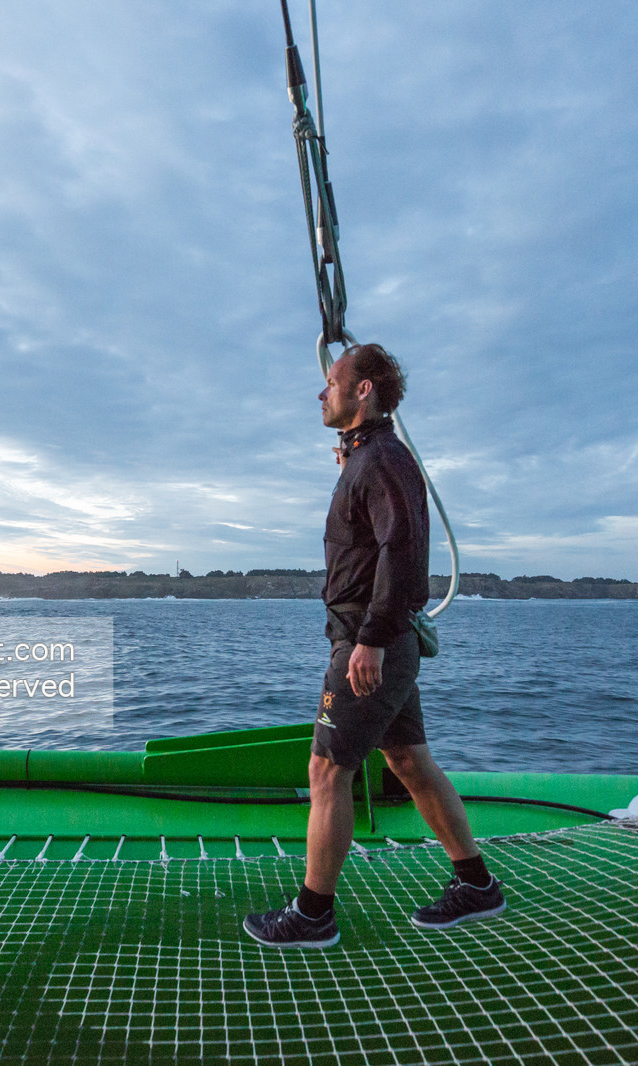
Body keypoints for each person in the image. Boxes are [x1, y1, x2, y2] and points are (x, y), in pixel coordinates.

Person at [243, 343, 505, 948]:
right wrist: (350, 464)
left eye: (332, 381)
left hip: (371, 643)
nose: (321, 391)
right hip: (380, 639)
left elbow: (403, 552)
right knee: (408, 758)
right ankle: (477, 884)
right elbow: (374, 538)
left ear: (363, 391)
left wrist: (372, 640)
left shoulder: (383, 458)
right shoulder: (370, 458)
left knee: (327, 770)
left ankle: (313, 915)